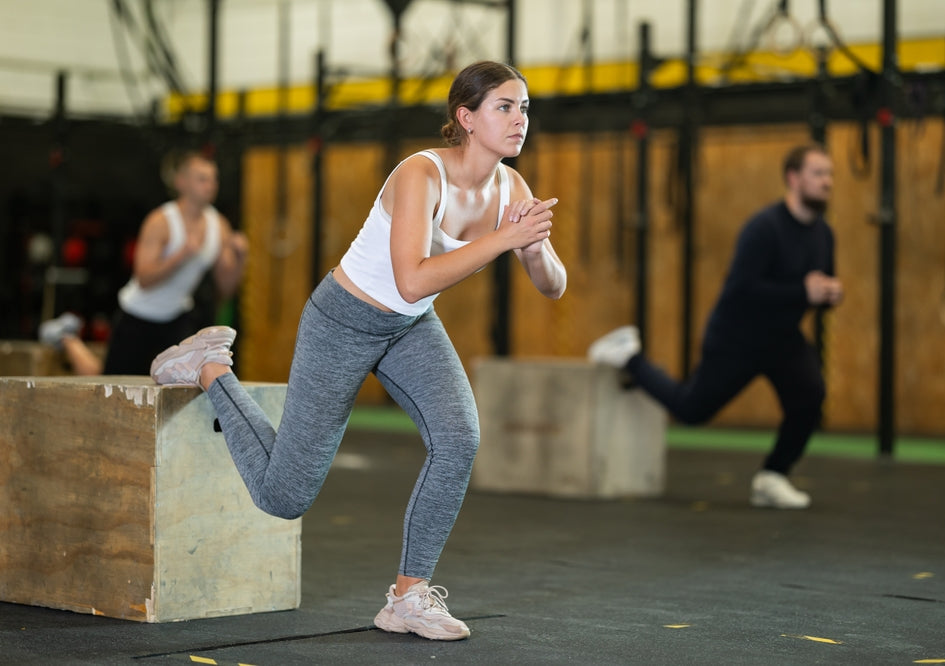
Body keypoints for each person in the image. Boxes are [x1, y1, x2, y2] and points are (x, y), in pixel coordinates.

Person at [147, 61, 567, 641]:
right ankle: (209, 366)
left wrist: (534, 245)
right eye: (505, 107)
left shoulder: (510, 188)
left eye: (524, 108)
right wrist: (504, 239)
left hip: (410, 328)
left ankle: (407, 597)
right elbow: (412, 278)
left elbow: (551, 285)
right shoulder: (420, 175)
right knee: (283, 496)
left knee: (459, 438)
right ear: (465, 118)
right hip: (342, 321)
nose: (520, 119)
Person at [588, 144, 842, 510]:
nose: (826, 182)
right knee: (692, 411)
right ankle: (629, 356)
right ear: (793, 178)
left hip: (782, 338)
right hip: (737, 335)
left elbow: (817, 287)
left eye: (829, 174)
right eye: (818, 173)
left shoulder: (824, 235)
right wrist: (802, 290)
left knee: (810, 397)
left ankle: (773, 476)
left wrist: (829, 295)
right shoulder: (764, 228)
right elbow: (742, 289)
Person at [38, 150, 249, 375]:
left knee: (183, 383)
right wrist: (180, 256)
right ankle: (66, 337)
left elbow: (226, 288)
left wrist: (240, 258)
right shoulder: (161, 221)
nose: (211, 185)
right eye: (202, 179)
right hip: (139, 314)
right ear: (181, 182)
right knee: (109, 385)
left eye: (214, 179)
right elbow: (144, 278)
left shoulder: (219, 226)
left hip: (177, 316)